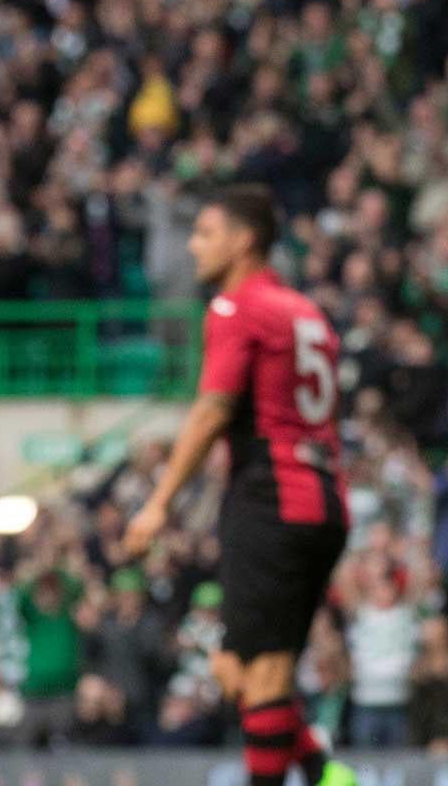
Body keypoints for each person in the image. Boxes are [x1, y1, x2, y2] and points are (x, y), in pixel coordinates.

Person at [121, 185, 356, 786]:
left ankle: (313, 772)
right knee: (235, 669)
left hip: (272, 499)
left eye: (204, 233)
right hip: (323, 500)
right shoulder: (306, 311)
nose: (193, 246)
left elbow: (212, 410)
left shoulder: (235, 307)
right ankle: (323, 772)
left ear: (243, 239)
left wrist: (157, 504)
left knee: (264, 674)